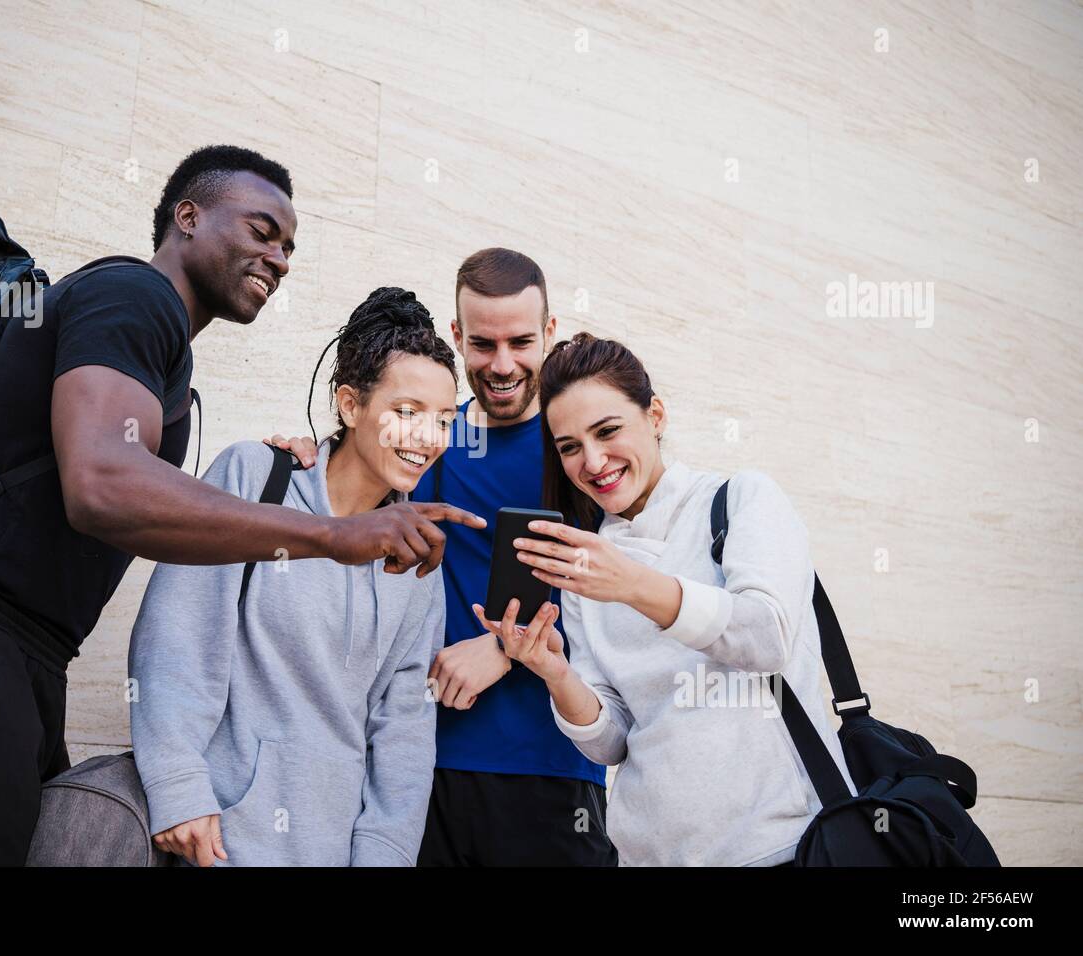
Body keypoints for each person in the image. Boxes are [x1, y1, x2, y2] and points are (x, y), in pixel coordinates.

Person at [0, 147, 481, 866]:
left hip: (7, 662)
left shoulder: (163, 360)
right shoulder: (132, 296)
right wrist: (326, 532)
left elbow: (400, 730)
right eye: (261, 231)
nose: (279, 258)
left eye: (289, 246)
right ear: (186, 218)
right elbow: (102, 484)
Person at [269, 249, 616, 866]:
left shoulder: (581, 451)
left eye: (521, 341)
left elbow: (619, 585)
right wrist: (309, 453)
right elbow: (351, 497)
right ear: (457, 336)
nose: (502, 364)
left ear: (550, 333)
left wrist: (508, 647)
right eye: (482, 344)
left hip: (554, 766)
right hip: (426, 767)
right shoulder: (428, 439)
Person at [477, 332, 854, 866]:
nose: (593, 460)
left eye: (608, 431)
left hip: (782, 846)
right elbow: (612, 742)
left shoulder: (741, 499)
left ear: (654, 415)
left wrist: (632, 584)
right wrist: (553, 671)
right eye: (569, 447)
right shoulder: (591, 563)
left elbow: (765, 635)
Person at [130, 287, 457, 867]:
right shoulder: (257, 478)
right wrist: (178, 785)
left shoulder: (417, 556)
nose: (428, 437)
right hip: (218, 840)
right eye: (407, 412)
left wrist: (384, 855)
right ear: (351, 405)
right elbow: (179, 637)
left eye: (444, 419)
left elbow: (403, 726)